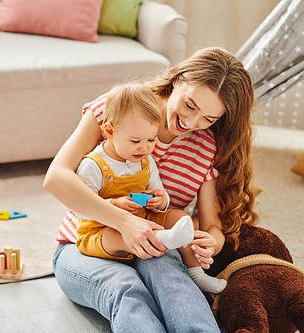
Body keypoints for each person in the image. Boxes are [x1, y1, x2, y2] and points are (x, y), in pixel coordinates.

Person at [44, 47, 258, 333]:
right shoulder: (121, 107)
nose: (192, 123)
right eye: (190, 105)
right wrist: (124, 222)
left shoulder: (207, 146)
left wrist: (210, 245)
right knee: (126, 288)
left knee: (175, 284)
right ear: (178, 80)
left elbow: (212, 227)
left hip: (154, 248)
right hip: (83, 248)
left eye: (209, 118)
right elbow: (55, 178)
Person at [74, 82, 227, 293]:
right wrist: (114, 205)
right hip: (99, 230)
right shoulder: (93, 164)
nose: (145, 148)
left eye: (151, 140)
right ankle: (165, 239)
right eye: (136, 140)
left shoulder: (145, 160)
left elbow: (159, 190)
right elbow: (81, 204)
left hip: (144, 219)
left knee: (180, 216)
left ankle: (197, 274)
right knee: (113, 235)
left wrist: (161, 200)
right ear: (109, 131)